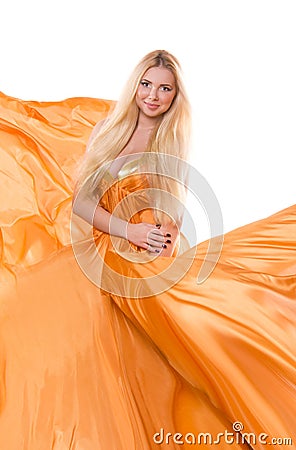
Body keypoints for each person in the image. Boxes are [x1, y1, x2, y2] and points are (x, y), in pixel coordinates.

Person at [0, 50, 295, 450]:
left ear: (175, 97)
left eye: (164, 89)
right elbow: (82, 203)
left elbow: (166, 207)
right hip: (103, 249)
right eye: (146, 84)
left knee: (190, 327)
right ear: (135, 85)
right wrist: (127, 230)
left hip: (143, 257)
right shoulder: (108, 128)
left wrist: (164, 233)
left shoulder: (169, 141)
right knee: (22, 309)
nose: (153, 95)